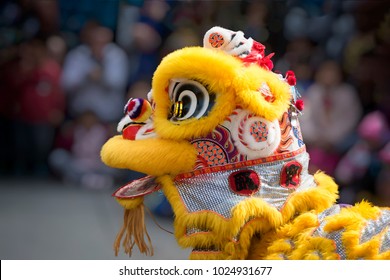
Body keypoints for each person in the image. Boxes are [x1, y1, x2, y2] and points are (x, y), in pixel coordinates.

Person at [300, 60, 362, 175]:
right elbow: (304, 117)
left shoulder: (347, 93)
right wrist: (315, 138)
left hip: (339, 142)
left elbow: (350, 120)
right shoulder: (313, 92)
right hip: (315, 142)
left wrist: (331, 138)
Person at [61, 21, 129, 125]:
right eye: (96, 40)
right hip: (79, 117)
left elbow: (119, 83)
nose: (99, 44)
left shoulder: (116, 55)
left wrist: (102, 77)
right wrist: (86, 76)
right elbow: (66, 84)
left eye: (103, 41)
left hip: (108, 119)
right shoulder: (77, 55)